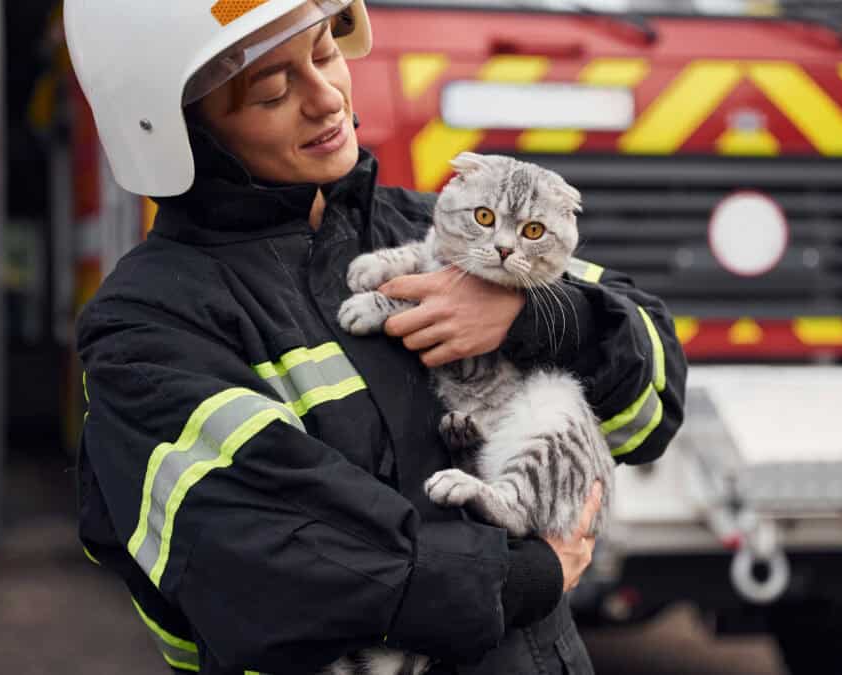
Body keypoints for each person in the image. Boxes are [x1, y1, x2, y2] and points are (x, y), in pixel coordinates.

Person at [66, 1, 687, 673]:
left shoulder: (436, 233)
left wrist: (533, 317)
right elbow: (282, 559)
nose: (326, 97)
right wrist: (528, 576)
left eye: (326, 53)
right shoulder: (149, 327)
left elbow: (649, 403)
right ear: (176, 128)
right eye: (274, 90)